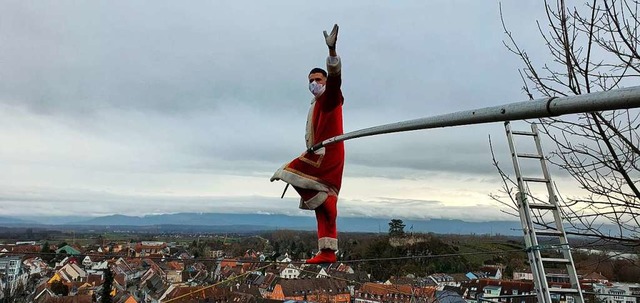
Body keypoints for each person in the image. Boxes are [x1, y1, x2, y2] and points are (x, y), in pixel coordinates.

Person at [271, 24, 344, 264]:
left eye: (318, 79)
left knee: (290, 171)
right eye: (311, 80)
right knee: (320, 207)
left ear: (324, 81)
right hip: (319, 152)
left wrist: (332, 52)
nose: (314, 83)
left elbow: (334, 81)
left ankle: (328, 203)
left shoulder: (330, 98)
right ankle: (327, 251)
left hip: (327, 155)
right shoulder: (315, 103)